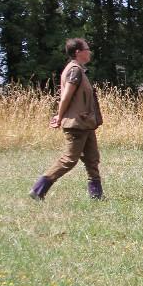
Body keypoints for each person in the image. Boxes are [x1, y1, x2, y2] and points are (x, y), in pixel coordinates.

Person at [29, 38, 104, 200]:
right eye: (87, 49)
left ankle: (97, 195)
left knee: (92, 159)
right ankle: (38, 189)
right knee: (69, 160)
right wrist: (59, 116)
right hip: (76, 124)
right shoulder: (74, 70)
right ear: (78, 52)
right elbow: (65, 97)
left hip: (86, 123)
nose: (89, 52)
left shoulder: (79, 70)